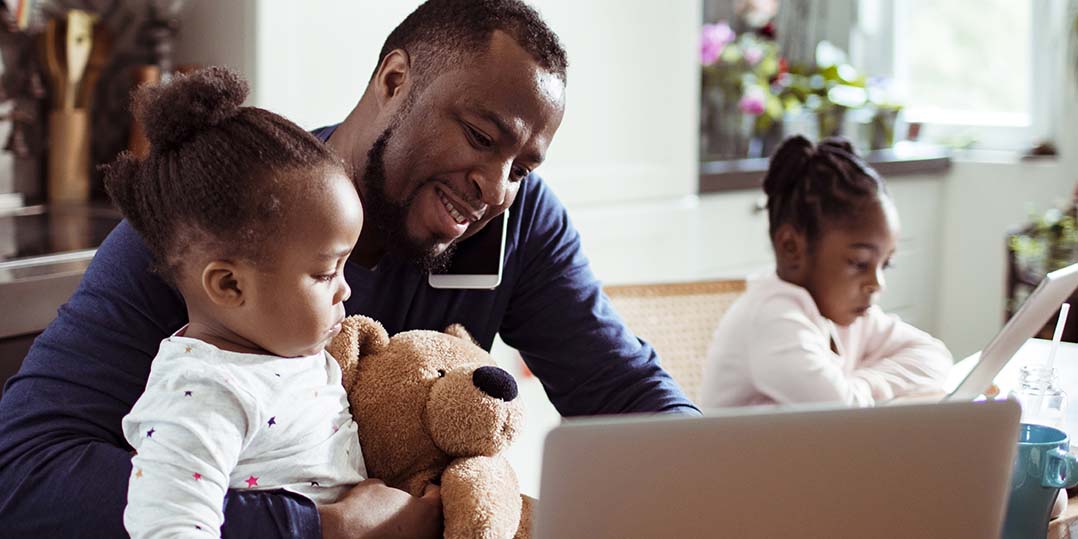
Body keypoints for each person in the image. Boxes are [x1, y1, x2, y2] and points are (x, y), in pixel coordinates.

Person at [0, 1, 696, 537]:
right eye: (482, 138)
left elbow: (626, 394)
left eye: (522, 166)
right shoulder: (219, 225)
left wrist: (728, 473)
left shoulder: (519, 224)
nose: (497, 187)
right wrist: (318, 526)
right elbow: (24, 476)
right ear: (395, 79)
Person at [108, 67, 374, 537]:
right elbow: (168, 526)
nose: (345, 289)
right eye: (326, 272)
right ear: (230, 286)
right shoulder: (203, 394)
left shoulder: (289, 353)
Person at [699, 135, 952, 408]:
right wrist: (864, 390)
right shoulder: (771, 318)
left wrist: (863, 384)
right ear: (791, 247)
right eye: (858, 262)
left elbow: (934, 355)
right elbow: (842, 410)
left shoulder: (847, 315)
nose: (876, 284)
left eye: (885, 264)